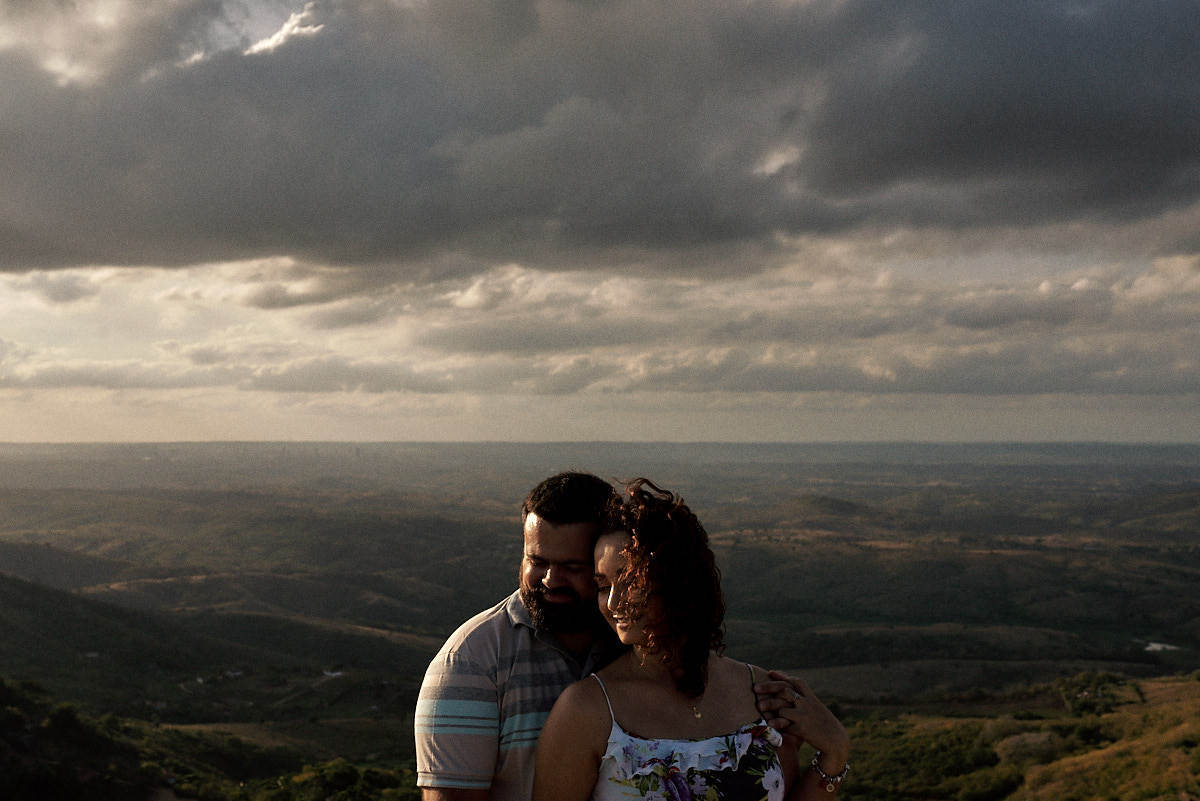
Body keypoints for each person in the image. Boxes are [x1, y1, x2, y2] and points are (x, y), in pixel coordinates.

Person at [532, 479, 850, 801]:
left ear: (677, 579)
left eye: (630, 580)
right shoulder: (588, 710)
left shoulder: (762, 694)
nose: (614, 602)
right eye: (603, 585)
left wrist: (835, 750)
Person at [415, 471, 626, 801]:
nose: (551, 581)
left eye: (573, 567)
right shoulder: (472, 661)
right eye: (537, 561)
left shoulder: (639, 644)